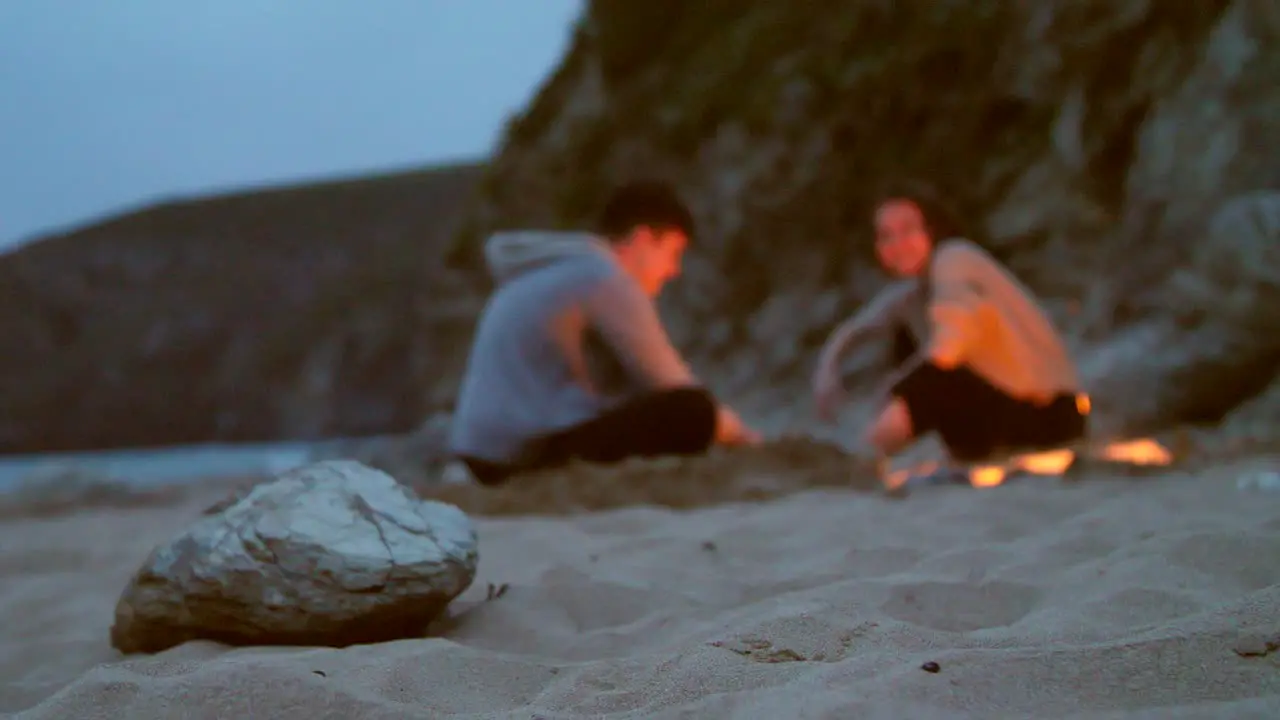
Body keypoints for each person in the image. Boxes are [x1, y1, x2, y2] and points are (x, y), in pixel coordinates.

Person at [449, 181, 761, 486]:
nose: (673, 270)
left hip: (482, 454)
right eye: (673, 252)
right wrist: (741, 435)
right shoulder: (602, 275)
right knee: (693, 410)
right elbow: (667, 379)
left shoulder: (551, 270)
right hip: (520, 454)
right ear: (643, 239)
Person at [811, 185, 1088, 465]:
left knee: (935, 379)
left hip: (1050, 416)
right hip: (1008, 415)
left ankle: (862, 460)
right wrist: (826, 370)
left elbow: (948, 349)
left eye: (908, 230)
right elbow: (859, 326)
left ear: (932, 230)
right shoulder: (916, 289)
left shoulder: (954, 259)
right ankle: (872, 453)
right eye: (886, 236)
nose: (897, 244)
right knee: (912, 352)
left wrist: (894, 388)